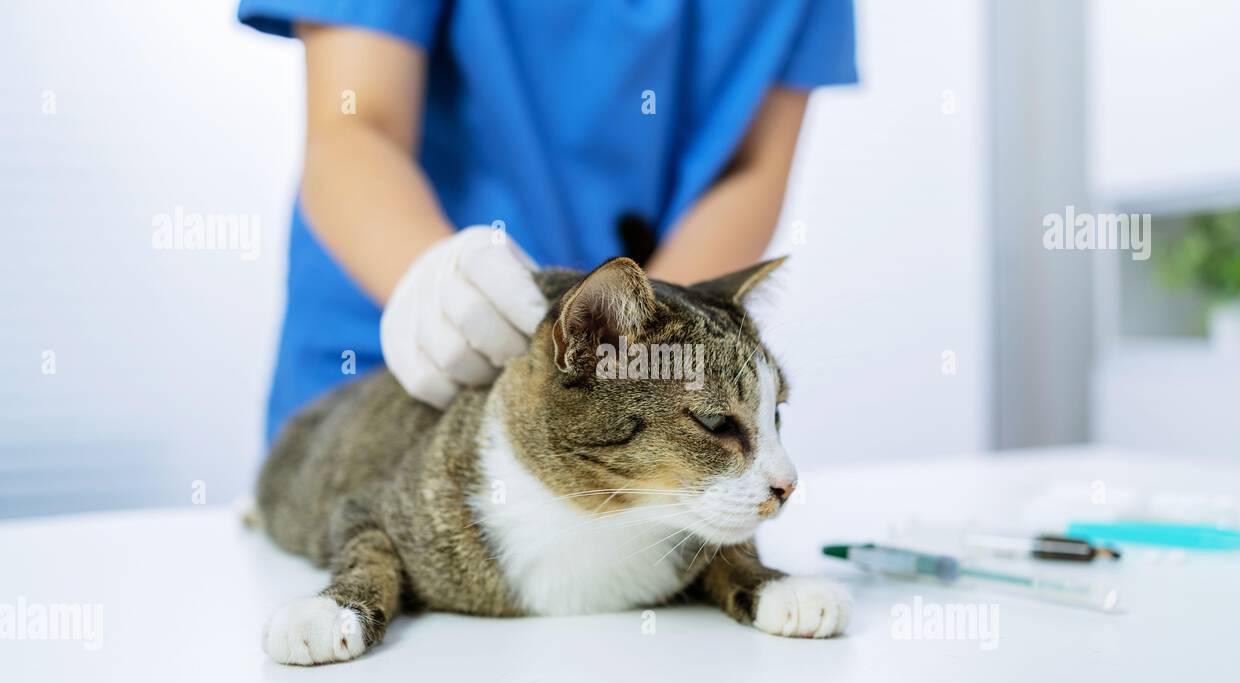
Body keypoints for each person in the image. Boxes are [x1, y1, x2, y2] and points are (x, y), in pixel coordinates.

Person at [238, 0, 858, 443]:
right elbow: (354, 123)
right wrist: (436, 282)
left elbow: (748, 167)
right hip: (381, 378)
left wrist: (654, 359)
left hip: (614, 413)